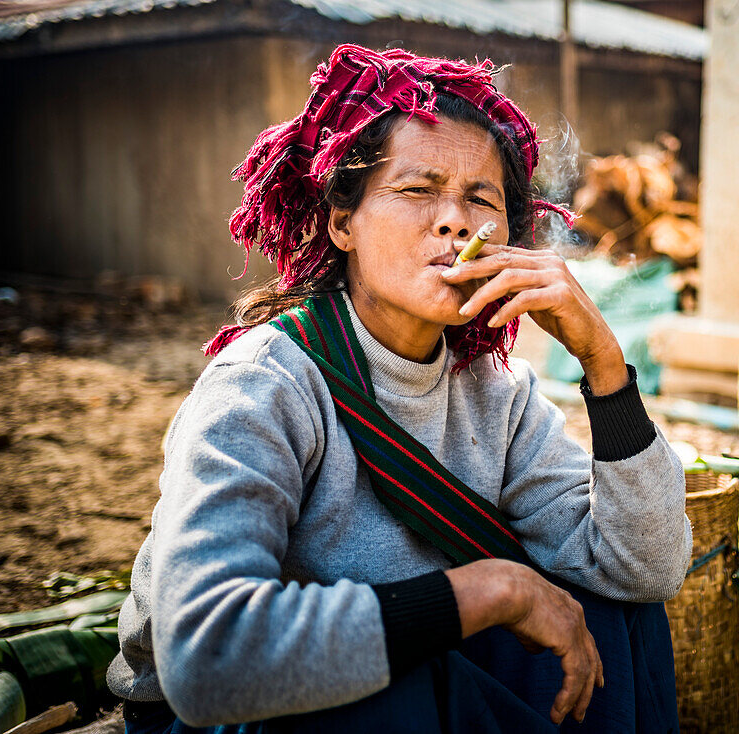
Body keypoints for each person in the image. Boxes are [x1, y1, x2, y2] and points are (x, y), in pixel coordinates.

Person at [107, 44, 692, 733]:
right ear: (342, 222)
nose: (456, 222)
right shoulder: (264, 384)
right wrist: (490, 588)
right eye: (417, 190)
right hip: (253, 713)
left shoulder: (495, 393)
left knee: (618, 617)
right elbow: (206, 658)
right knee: (391, 696)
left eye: (482, 199)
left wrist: (605, 365)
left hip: (416, 668)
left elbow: (643, 570)